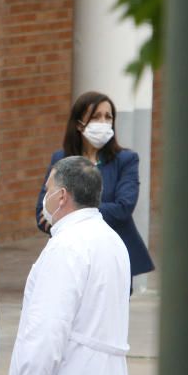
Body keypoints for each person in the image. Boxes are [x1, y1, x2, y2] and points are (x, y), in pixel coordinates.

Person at [0, 156, 131, 375]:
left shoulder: (67, 248)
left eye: (48, 187)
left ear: (62, 196)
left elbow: (46, 330)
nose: (45, 194)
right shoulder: (111, 241)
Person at [35, 91, 154, 286]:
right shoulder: (61, 159)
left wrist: (70, 210)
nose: (103, 122)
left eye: (108, 117)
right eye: (96, 116)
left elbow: (123, 208)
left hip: (112, 255)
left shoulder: (126, 160)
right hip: (70, 255)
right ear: (79, 123)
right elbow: (43, 213)